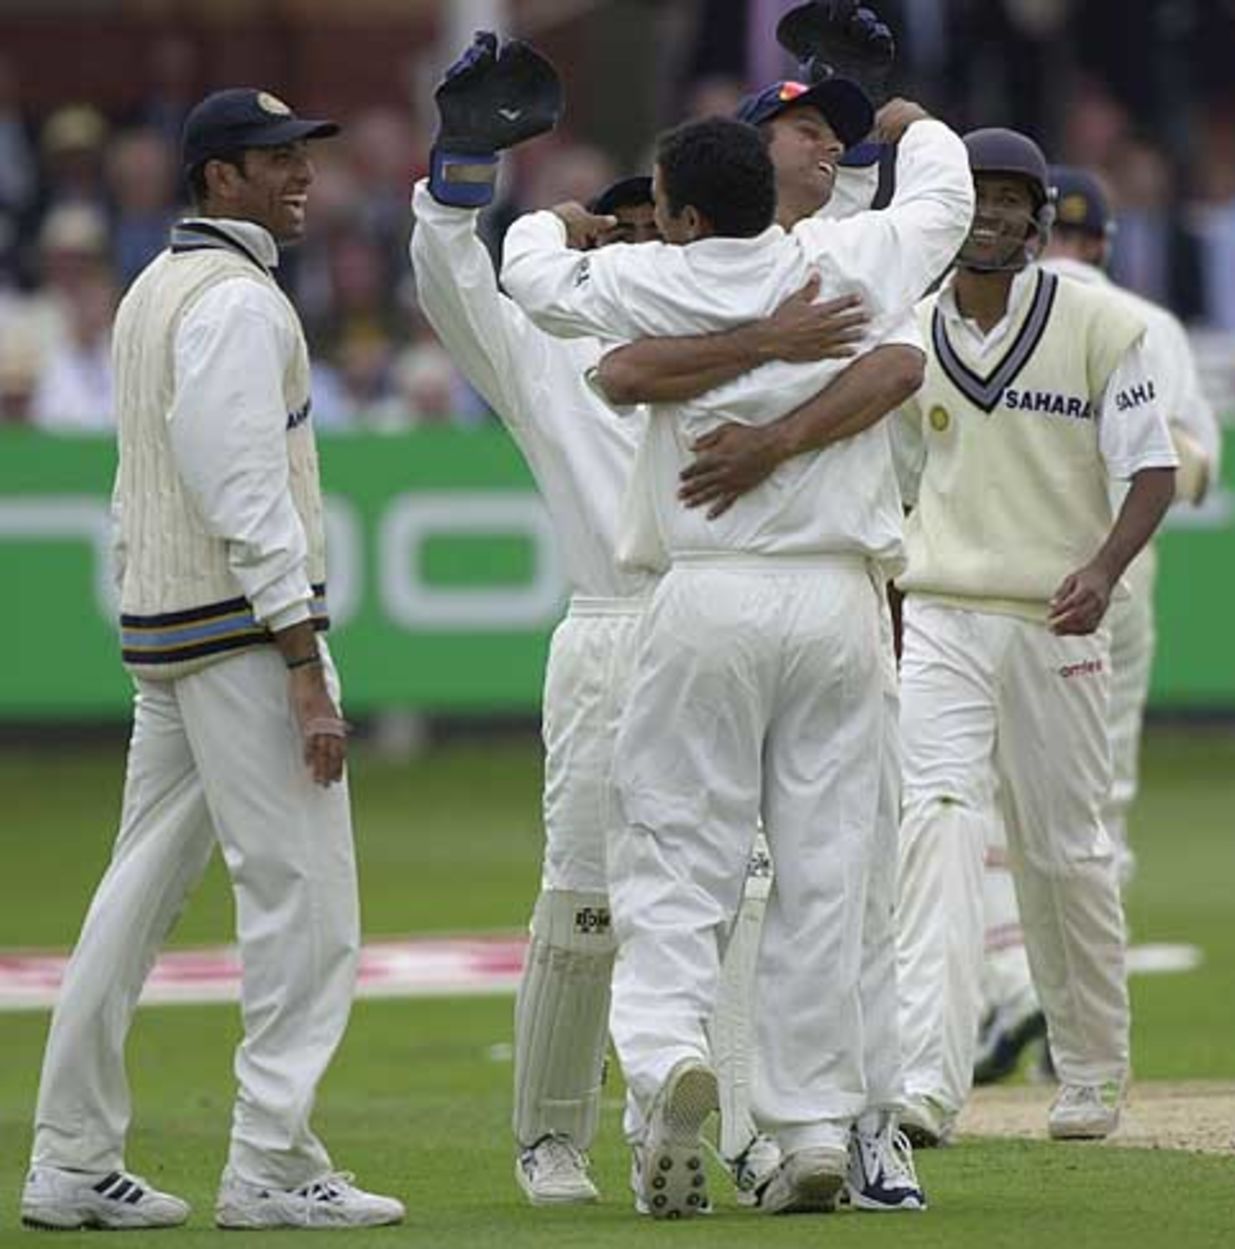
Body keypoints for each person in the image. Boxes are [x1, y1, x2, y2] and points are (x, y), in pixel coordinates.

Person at [410, 34, 915, 1210]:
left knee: (735, 903)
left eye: (657, 220)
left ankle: (729, 1131)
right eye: (623, 220)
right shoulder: (553, 346)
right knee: (591, 900)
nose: (642, 235)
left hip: (714, 613)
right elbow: (455, 284)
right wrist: (458, 181)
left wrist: (830, 148)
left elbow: (837, 256)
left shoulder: (746, 309)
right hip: (619, 630)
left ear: (687, 228)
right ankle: (552, 1139)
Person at [502, 108, 972, 1217]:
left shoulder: (651, 280)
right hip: (838, 600)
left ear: (678, 212)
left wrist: (565, 219)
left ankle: (668, 1058)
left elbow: (528, 272)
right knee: (823, 866)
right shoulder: (846, 262)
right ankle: (809, 1123)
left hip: (706, 586)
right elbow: (942, 199)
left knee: (675, 849)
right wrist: (907, 119)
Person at [19, 88, 404, 1231]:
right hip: (237, 634)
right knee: (307, 900)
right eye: (272, 159)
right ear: (215, 178)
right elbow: (240, 484)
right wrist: (300, 653)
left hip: (169, 634)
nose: (299, 176)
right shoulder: (235, 302)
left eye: (301, 157)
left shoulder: (155, 289)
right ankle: (271, 1162)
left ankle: (71, 1158)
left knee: (131, 900)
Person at [889, 129, 1177, 1147]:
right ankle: (925, 1077)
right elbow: (889, 488)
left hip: (1051, 616)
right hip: (941, 615)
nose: (992, 215)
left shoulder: (1100, 322)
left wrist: (1100, 571)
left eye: (1012, 199)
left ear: (1036, 216)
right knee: (932, 824)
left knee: (1064, 852)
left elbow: (1151, 469)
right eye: (976, 195)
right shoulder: (908, 327)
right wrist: (888, 608)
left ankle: (1091, 1068)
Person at [974, 164, 1221, 1084]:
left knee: (993, 796)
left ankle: (1009, 985)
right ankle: (1079, 1025)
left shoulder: (984, 301)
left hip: (998, 571)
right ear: (1107, 243)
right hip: (1117, 572)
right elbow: (1194, 469)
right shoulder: (1146, 322)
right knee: (1096, 798)